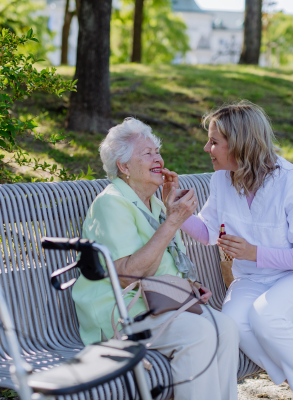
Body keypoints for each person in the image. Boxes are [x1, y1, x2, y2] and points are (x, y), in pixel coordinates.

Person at [165, 101, 293, 400]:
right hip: (252, 280)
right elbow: (210, 233)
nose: (206, 149)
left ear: (239, 145)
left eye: (214, 142)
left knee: (267, 316)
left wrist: (254, 252)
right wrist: (176, 211)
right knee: (234, 323)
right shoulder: (221, 180)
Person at [71, 117, 240, 400]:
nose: (157, 158)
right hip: (122, 310)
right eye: (146, 153)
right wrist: (173, 222)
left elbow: (166, 263)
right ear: (124, 167)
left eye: (157, 151)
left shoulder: (156, 202)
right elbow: (127, 275)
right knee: (199, 335)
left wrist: (190, 287)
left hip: (157, 304)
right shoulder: (111, 203)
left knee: (226, 328)